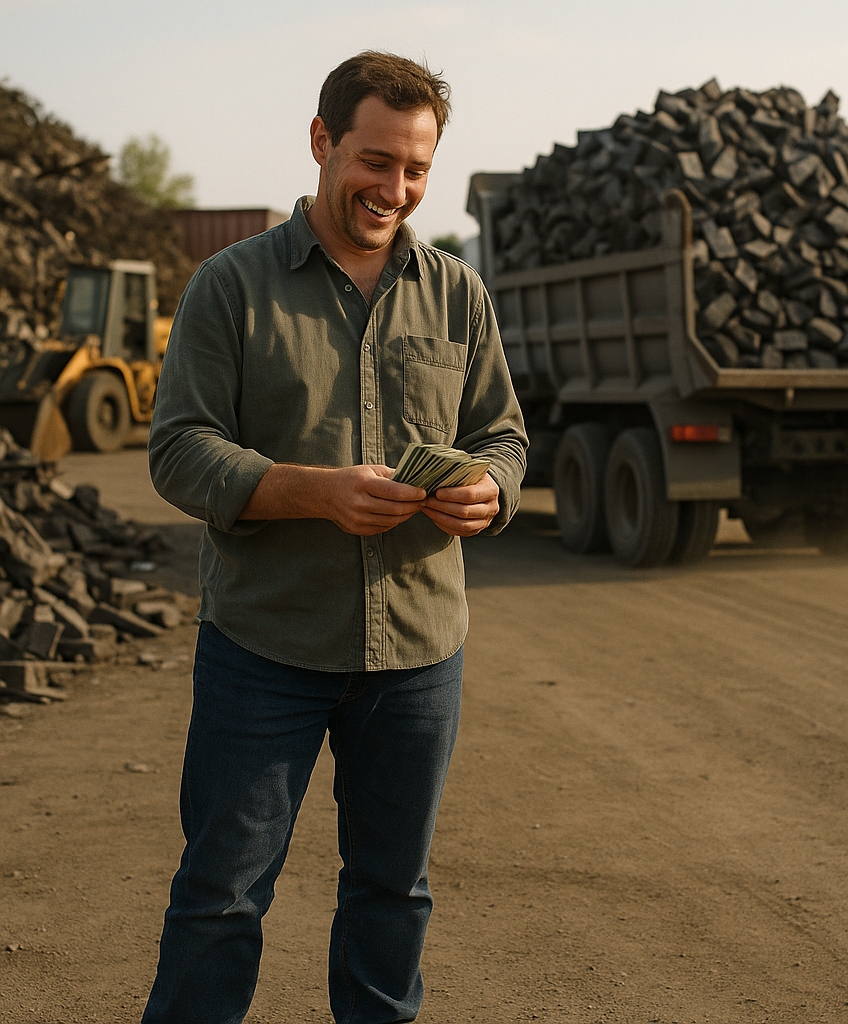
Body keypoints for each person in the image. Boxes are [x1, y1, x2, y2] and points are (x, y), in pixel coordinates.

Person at [141, 51, 527, 1024]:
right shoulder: (229, 286)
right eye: (374, 160)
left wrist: (490, 487)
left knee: (393, 894)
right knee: (220, 897)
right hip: (265, 649)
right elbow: (178, 449)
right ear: (321, 142)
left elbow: (503, 432)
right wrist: (309, 491)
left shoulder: (457, 296)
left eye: (414, 169)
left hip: (417, 656)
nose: (393, 188)